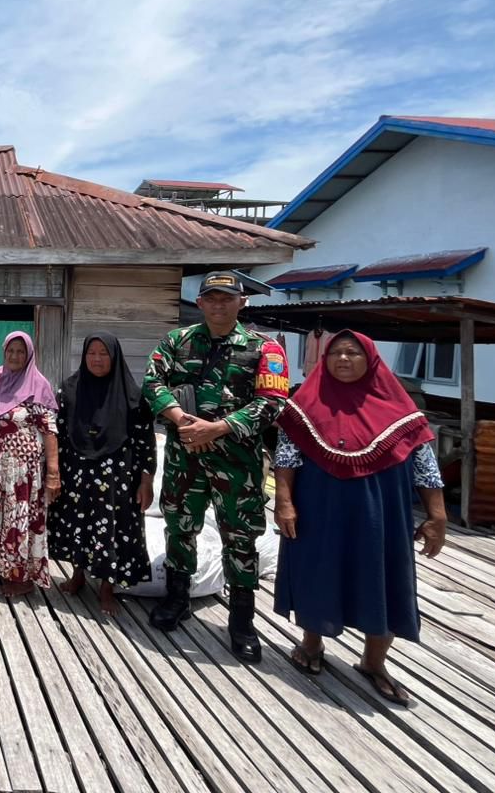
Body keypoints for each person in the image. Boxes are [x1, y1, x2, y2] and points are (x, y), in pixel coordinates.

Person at [273, 330, 446, 705]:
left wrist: (437, 515)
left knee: (382, 575)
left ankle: (373, 661)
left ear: (371, 360)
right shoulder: (305, 405)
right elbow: (287, 457)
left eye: (353, 353)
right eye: (336, 353)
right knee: (318, 569)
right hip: (319, 507)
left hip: (381, 513)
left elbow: (425, 466)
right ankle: (311, 644)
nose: (344, 359)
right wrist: (284, 501)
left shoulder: (401, 411)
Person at [143, 270, 289, 662]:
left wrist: (219, 427)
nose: (219, 304)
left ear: (242, 302)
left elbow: (272, 402)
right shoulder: (178, 340)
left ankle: (241, 621)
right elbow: (152, 382)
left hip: (237, 464)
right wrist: (179, 419)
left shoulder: (266, 349)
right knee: (179, 528)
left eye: (228, 298)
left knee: (240, 538)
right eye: (212, 298)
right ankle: (178, 599)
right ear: (201, 302)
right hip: (184, 457)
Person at [50, 333, 156, 614]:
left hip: (117, 479)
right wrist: (53, 473)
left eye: (103, 353)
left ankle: (107, 587)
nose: (97, 359)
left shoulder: (132, 396)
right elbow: (56, 434)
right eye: (91, 353)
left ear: (115, 357)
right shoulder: (69, 390)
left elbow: (146, 441)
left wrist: (146, 480)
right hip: (76, 473)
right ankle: (78, 576)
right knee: (76, 524)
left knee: (112, 529)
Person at [0, 332, 60, 597]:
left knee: (18, 521)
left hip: (22, 472)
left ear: (28, 354)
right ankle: (0, 567)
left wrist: (53, 473)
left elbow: (50, 431)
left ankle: (22, 578)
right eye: (11, 351)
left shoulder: (38, 385)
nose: (15, 356)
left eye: (20, 352)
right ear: (4, 352)